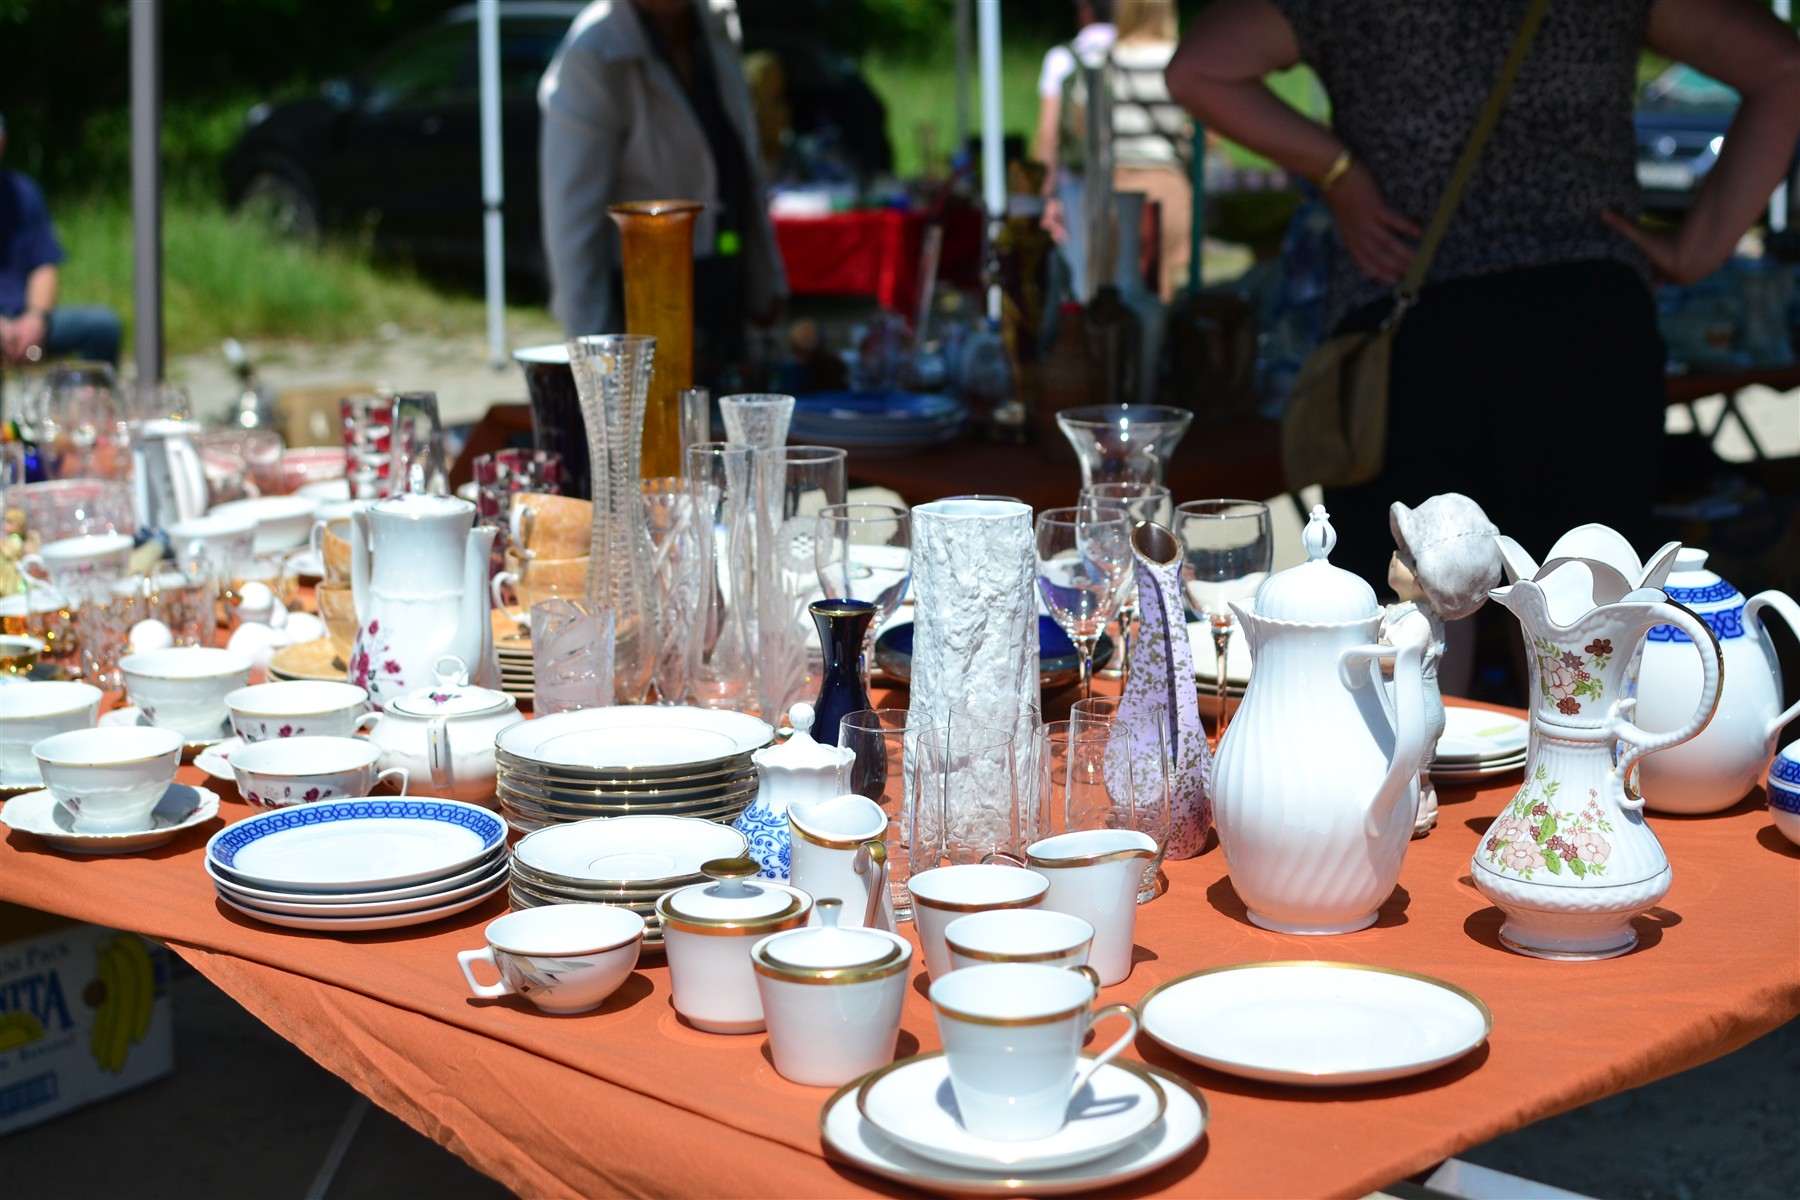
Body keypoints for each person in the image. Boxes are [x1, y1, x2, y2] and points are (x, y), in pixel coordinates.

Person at [1165, 0, 1800, 588]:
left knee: (1415, 622)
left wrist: (1339, 172)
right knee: (1579, 623)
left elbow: (1198, 70)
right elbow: (1782, 67)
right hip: (1580, 318)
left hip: (1411, 314)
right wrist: (1698, 248)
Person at [538, 0, 786, 379]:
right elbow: (572, 223)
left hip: (722, 282)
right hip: (641, 299)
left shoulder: (713, 21)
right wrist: (600, 367)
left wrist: (765, 280)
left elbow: (742, 162)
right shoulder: (594, 52)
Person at [0, 111, 122, 370]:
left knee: (103, 325)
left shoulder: (23, 192)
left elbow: (44, 265)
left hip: (23, 314)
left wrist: (36, 319)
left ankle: (88, 392)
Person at [1098, 0, 1193, 300]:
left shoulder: (1105, 59)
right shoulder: (1181, 60)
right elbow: (1209, 132)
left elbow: (1082, 126)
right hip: (1167, 182)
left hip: (1114, 182)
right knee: (1163, 286)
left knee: (1113, 285)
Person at [1036, 0, 1116, 301]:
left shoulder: (1062, 58)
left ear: (1085, 10)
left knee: (1081, 274)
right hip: (1127, 177)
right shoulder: (1133, 53)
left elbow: (1049, 134)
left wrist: (1046, 196)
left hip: (1076, 181)